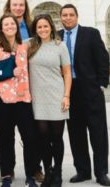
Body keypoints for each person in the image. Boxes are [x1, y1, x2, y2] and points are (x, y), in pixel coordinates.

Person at [59, 5, 110, 186]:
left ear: (77, 16)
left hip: (90, 90)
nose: (67, 18)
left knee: (98, 133)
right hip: (68, 90)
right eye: (64, 15)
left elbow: (103, 60)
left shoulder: (91, 34)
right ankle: (83, 171)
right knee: (75, 133)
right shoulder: (56, 36)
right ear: (60, 18)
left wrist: (101, 85)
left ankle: (101, 172)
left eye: (71, 15)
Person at [0, 14, 39, 187]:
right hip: (2, 99)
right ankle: (6, 174)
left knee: (30, 137)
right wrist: (9, 72)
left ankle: (30, 175)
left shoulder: (25, 47)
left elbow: (43, 37)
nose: (10, 26)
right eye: (6, 24)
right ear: (1, 28)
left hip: (23, 98)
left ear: (17, 27)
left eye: (12, 24)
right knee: (5, 138)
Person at [26, 14, 72, 187]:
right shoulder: (29, 44)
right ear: (35, 29)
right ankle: (48, 171)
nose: (43, 29)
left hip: (57, 95)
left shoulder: (60, 46)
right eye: (39, 27)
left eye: (46, 26)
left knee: (57, 137)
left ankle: (58, 172)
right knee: (43, 138)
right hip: (38, 97)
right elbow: (9, 44)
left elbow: (67, 73)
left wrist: (66, 95)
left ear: (51, 27)